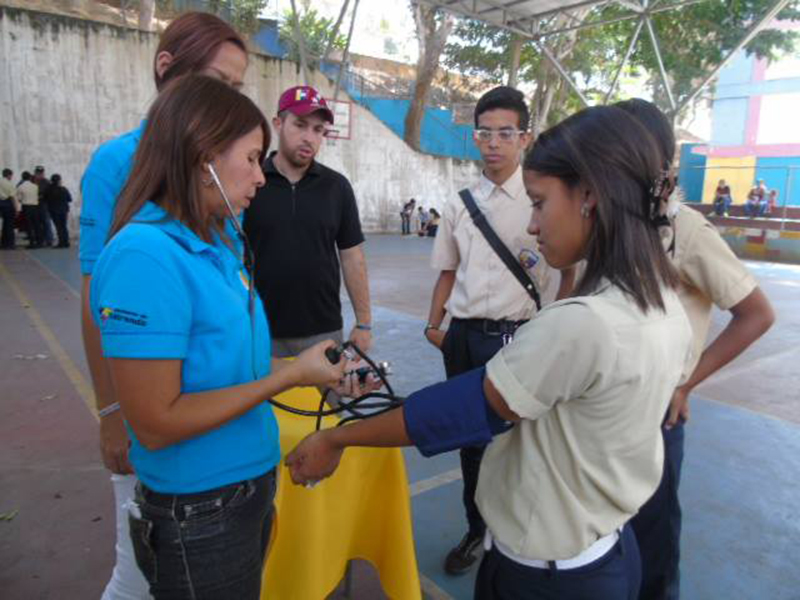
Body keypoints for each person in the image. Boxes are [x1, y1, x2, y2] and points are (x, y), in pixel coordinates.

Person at [287, 105, 695, 600]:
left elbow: (469, 409)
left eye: (541, 203)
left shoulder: (585, 323)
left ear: (589, 196)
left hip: (547, 579)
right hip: (607, 551)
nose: (535, 224)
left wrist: (337, 440)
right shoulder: (662, 300)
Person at [90, 74, 349, 600]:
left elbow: (236, 372)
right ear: (203, 158)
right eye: (251, 159)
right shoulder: (146, 256)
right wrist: (292, 374)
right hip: (200, 508)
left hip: (243, 490)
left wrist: (315, 369)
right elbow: (157, 423)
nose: (260, 176)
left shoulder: (215, 246)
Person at [79, 12, 252, 600]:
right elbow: (95, 299)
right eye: (216, 83)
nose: (224, 101)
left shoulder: (223, 172)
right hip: (158, 420)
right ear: (165, 69)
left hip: (215, 436)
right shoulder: (118, 165)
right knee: (136, 567)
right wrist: (110, 413)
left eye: (236, 90)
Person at [615, 98, 775, 600]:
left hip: (658, 410)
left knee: (653, 534)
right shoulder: (610, 222)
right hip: (606, 402)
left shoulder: (685, 230)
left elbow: (756, 313)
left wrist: (687, 382)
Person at [423, 86, 575, 576]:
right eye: (484, 133)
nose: (493, 143)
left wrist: (556, 324)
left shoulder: (543, 199)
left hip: (519, 335)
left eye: (505, 133)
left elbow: (567, 269)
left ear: (524, 137)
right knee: (470, 439)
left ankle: (521, 534)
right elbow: (448, 269)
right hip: (463, 335)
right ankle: (476, 530)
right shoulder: (459, 203)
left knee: (521, 437)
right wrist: (435, 324)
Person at [243, 85, 373, 358]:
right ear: (278, 124)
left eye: (317, 130)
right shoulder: (250, 182)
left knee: (326, 403)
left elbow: (352, 257)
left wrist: (363, 322)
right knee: (263, 402)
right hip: (259, 330)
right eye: (300, 125)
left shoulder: (336, 187)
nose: (309, 138)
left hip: (323, 333)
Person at [45, 174, 72, 247]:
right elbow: (70, 199)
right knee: (63, 226)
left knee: (58, 227)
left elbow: (45, 199)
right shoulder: (64, 189)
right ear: (59, 181)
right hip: (64, 210)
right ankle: (66, 242)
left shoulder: (49, 190)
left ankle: (61, 242)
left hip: (54, 211)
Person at [17, 171, 42, 248]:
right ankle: (39, 242)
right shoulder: (35, 186)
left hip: (26, 207)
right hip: (35, 207)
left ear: (22, 177)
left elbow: (19, 198)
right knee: (37, 225)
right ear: (30, 177)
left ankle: (32, 243)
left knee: (29, 225)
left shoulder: (20, 187)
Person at [33, 166, 55, 246]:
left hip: (44, 204)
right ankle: (40, 240)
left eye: (41, 173)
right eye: (38, 173)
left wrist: (42, 196)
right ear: (35, 173)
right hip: (34, 205)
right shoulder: (31, 181)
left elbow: (50, 193)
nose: (39, 175)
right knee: (37, 223)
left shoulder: (46, 182)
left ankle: (49, 240)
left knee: (46, 222)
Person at [0, 168, 18, 249]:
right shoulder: (9, 184)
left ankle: (3, 243)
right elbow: (12, 197)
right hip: (8, 204)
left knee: (4, 225)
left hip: (1, 204)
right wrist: (16, 208)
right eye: (11, 176)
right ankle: (10, 244)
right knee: (10, 225)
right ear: (8, 175)